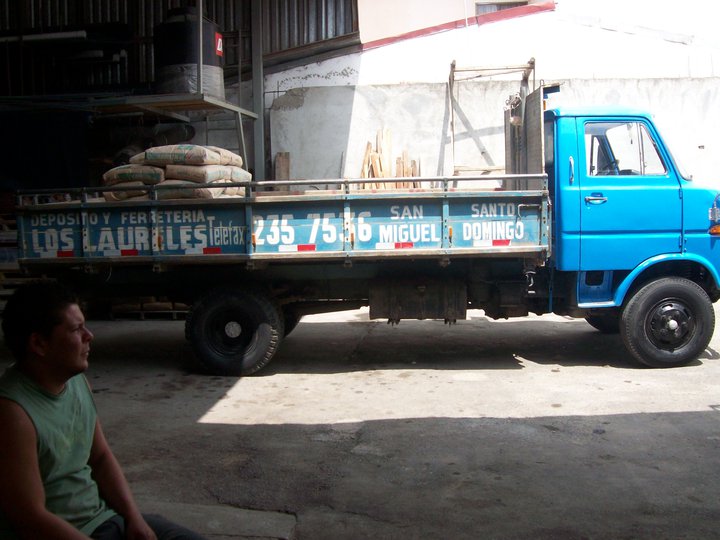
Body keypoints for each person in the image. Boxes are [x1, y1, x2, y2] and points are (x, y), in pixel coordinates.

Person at [0, 281, 207, 539]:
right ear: (39, 343)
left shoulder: (77, 382)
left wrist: (134, 518)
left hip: (105, 518)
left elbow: (100, 457)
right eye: (76, 329)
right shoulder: (13, 413)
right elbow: (30, 518)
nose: (89, 335)